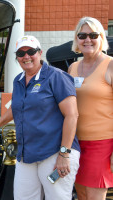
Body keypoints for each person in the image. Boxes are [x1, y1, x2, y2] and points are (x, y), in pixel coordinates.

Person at [0, 35, 81, 200]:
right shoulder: (18, 80)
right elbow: (16, 107)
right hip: (26, 154)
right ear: (17, 58)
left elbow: (72, 115)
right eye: (21, 53)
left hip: (54, 152)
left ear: (40, 53)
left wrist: (64, 154)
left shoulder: (56, 76)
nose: (26, 56)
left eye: (31, 51)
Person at [69, 16, 113, 200]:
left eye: (93, 35)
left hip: (101, 143)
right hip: (76, 143)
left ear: (101, 37)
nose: (88, 39)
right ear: (77, 40)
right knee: (82, 195)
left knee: (94, 195)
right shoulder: (73, 67)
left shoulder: (110, 64)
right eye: (82, 35)